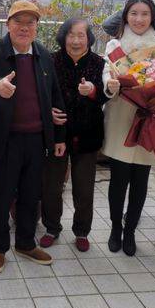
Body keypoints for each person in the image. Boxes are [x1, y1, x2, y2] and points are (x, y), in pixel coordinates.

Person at [0, 0, 66, 274]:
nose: (24, 28)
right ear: (8, 25)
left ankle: (25, 243)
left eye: (30, 23)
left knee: (31, 195)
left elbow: (55, 96)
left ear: (36, 27)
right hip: (6, 139)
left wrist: (58, 136)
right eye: (18, 22)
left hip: (37, 139)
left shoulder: (43, 55)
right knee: (2, 195)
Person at [102, 0, 155, 256]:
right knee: (118, 180)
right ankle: (115, 228)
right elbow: (107, 74)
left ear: (153, 17)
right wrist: (110, 84)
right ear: (125, 16)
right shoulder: (114, 45)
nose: (139, 19)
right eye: (133, 13)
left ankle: (130, 231)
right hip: (121, 119)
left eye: (144, 14)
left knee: (140, 181)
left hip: (149, 120)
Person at [40, 18, 108, 252]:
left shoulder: (99, 63)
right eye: (71, 35)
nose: (76, 40)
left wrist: (93, 91)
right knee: (51, 186)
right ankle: (51, 227)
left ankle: (81, 231)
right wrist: (47, 111)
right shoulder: (50, 60)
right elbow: (40, 93)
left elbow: (107, 95)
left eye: (81, 35)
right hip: (57, 134)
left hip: (88, 134)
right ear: (63, 37)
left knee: (84, 188)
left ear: (89, 39)